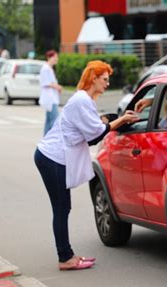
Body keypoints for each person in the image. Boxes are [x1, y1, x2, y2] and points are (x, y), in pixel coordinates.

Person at [34, 60, 139, 271]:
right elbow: (96, 133)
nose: (108, 84)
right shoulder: (82, 100)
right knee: (61, 207)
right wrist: (120, 121)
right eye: (105, 79)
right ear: (94, 78)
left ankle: (67, 254)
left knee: (63, 207)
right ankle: (65, 258)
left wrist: (121, 117)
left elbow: (94, 130)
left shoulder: (84, 100)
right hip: (53, 157)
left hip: (54, 156)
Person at [39, 50, 62, 135]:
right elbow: (46, 83)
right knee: (54, 120)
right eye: (54, 57)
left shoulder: (49, 68)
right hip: (50, 98)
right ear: (49, 57)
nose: (56, 59)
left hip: (52, 97)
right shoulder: (46, 69)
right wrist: (58, 87)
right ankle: (52, 138)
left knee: (49, 120)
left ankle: (46, 138)